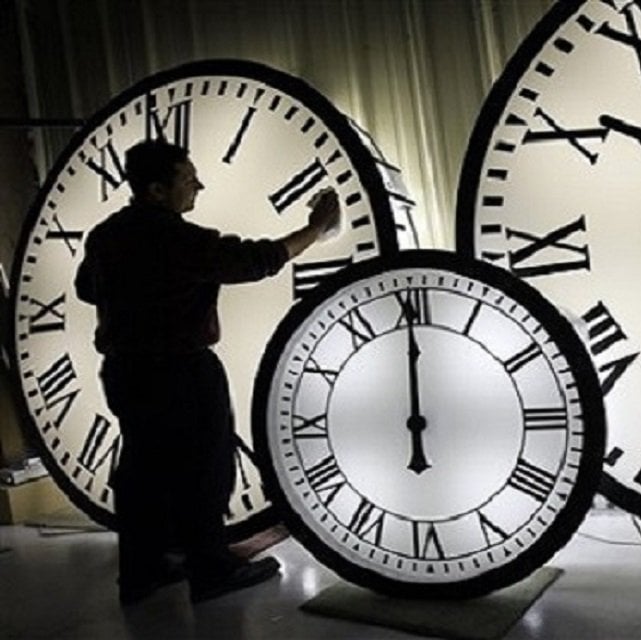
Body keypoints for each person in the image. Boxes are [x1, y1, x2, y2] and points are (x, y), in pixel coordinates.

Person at [74, 138, 340, 606]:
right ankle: (210, 570)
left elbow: (85, 289)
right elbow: (258, 260)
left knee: (142, 471)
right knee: (203, 470)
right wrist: (316, 228)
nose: (199, 183)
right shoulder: (180, 240)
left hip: (124, 371)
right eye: (187, 177)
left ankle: (142, 571)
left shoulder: (105, 236)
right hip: (183, 371)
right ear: (157, 190)